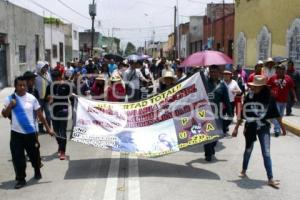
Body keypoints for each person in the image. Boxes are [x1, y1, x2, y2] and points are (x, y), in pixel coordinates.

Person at [232, 75, 286, 189]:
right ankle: (243, 170)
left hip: (264, 128)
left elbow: (277, 114)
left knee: (266, 152)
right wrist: (236, 127)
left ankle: (270, 178)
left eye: (257, 87)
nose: (254, 88)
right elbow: (242, 112)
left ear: (263, 87)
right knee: (248, 149)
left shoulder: (269, 98)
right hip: (250, 126)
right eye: (253, 86)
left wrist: (283, 128)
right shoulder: (249, 96)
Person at [1, 76, 54, 189]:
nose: (22, 87)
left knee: (34, 155)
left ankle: (37, 169)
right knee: (17, 157)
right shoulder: (10, 98)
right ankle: (21, 179)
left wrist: (48, 129)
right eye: (19, 85)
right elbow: (4, 114)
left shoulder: (32, 98)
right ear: (15, 86)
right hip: (16, 134)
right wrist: (10, 106)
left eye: (24, 85)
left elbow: (40, 115)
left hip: (31, 133)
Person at [201, 65, 232, 161]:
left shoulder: (222, 85)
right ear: (209, 73)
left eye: (215, 72)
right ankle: (208, 154)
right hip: (205, 112)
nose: (213, 74)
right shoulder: (204, 83)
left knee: (217, 133)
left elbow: (227, 100)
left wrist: (230, 113)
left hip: (217, 113)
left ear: (219, 73)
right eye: (211, 72)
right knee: (207, 134)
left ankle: (212, 146)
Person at [45, 70, 72, 160]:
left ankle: (63, 151)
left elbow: (70, 96)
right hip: (54, 110)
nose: (54, 80)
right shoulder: (50, 86)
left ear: (60, 77)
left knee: (62, 130)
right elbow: (46, 97)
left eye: (56, 78)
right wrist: (49, 99)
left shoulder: (66, 85)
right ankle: (60, 146)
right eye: (53, 78)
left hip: (63, 110)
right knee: (56, 131)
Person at [268, 64, 297, 136]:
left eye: (283, 69)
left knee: (280, 116)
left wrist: (295, 97)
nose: (281, 71)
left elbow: (292, 88)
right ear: (277, 70)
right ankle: (277, 129)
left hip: (284, 101)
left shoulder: (288, 78)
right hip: (275, 100)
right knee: (277, 115)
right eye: (280, 69)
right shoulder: (273, 78)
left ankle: (277, 127)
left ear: (285, 71)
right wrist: (271, 91)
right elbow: (268, 87)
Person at [35, 61, 52, 133]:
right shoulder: (35, 76)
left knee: (48, 113)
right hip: (39, 99)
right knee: (40, 114)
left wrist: (50, 95)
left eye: (46, 67)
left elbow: (50, 85)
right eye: (43, 67)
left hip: (46, 98)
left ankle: (49, 128)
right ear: (39, 68)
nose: (45, 68)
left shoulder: (48, 74)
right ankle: (41, 129)